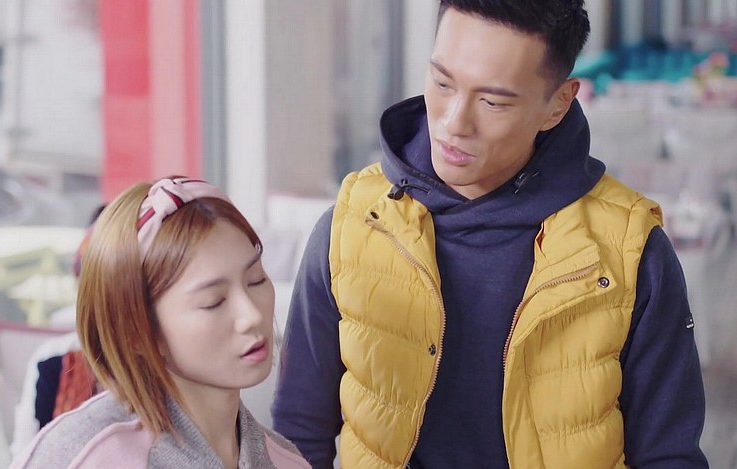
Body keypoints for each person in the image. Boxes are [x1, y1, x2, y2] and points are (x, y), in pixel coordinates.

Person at [271, 1, 708, 468]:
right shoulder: (353, 227)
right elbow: (299, 435)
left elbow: (668, 456)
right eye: (442, 83)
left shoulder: (629, 251)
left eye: (493, 102)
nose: (454, 123)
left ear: (558, 104)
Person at [11, 176, 310, 468]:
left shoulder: (287, 461)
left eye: (256, 280)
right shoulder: (83, 456)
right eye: (214, 301)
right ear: (137, 332)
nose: (252, 315)